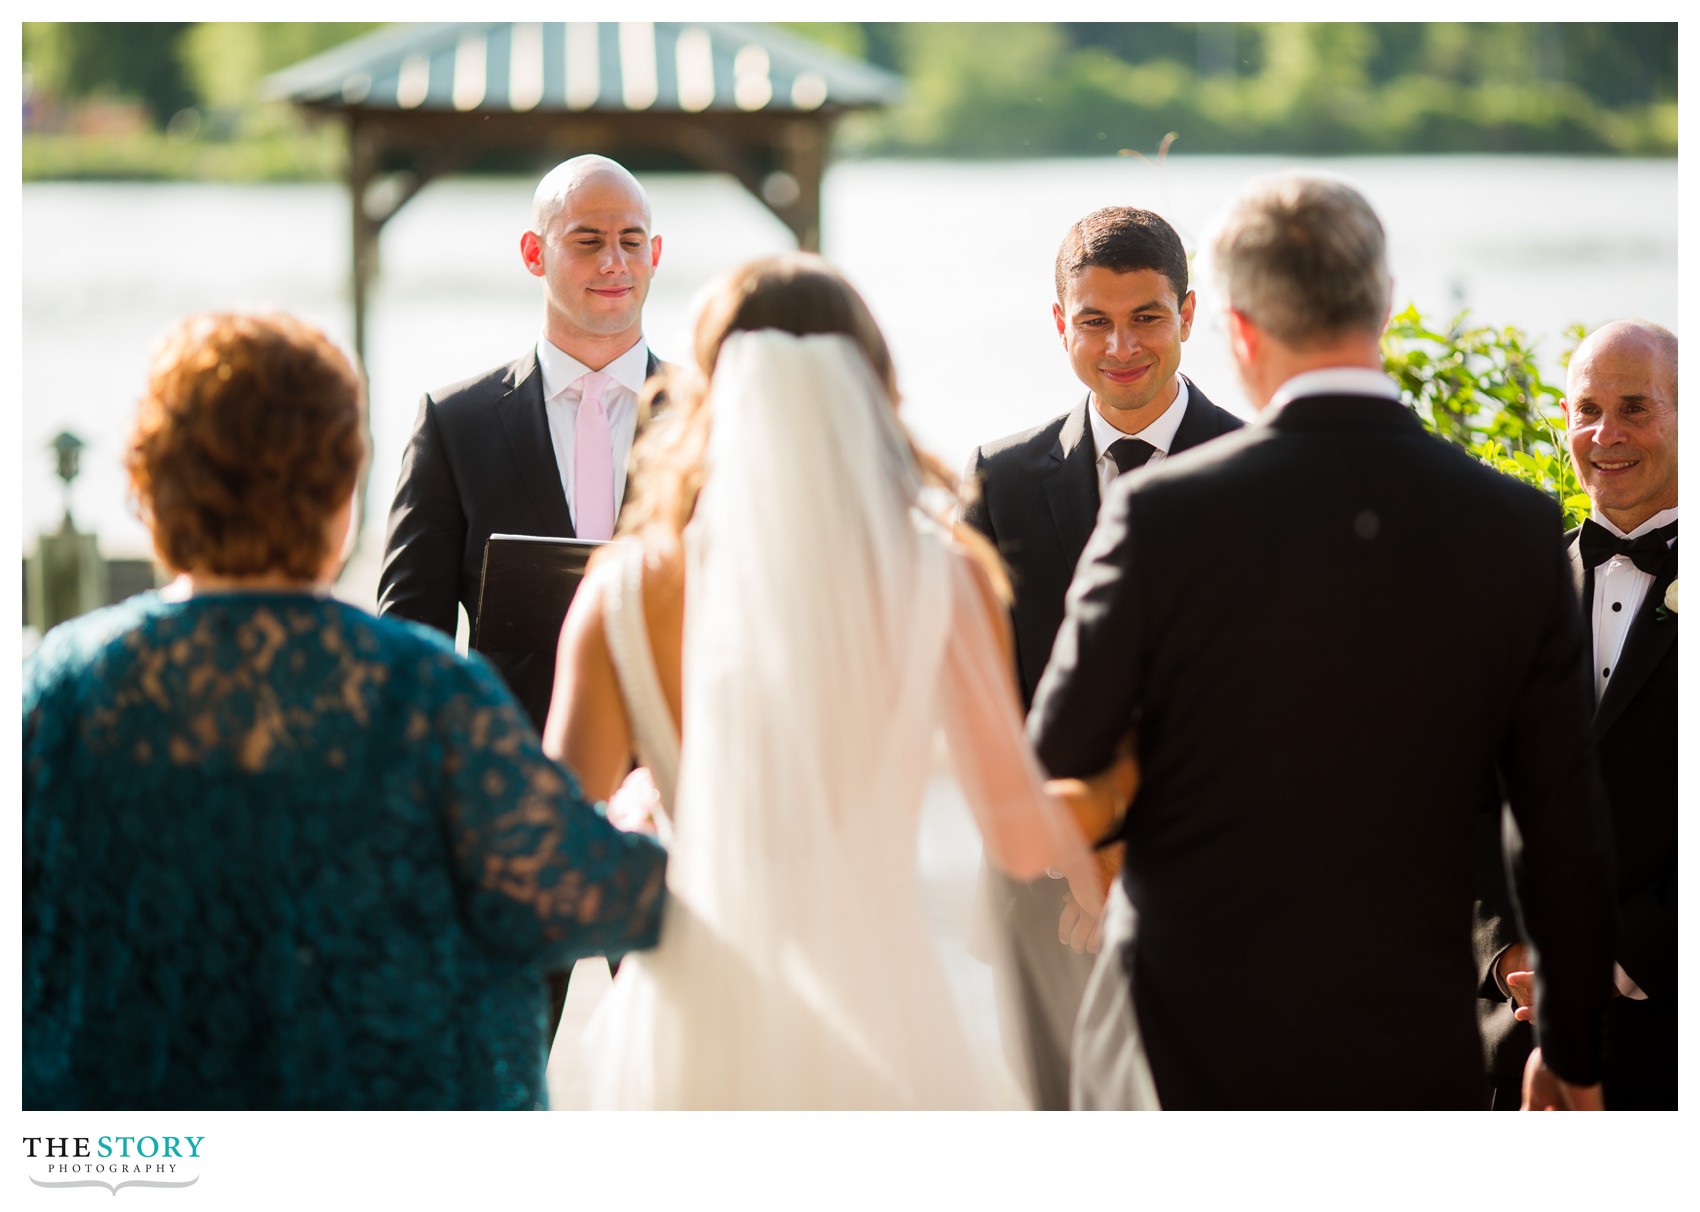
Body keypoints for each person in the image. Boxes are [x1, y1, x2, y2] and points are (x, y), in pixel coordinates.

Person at [1028, 173, 1618, 1109]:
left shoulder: (1156, 514)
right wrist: (1575, 1050)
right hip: (1407, 1033)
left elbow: (1058, 755)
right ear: (1383, 308)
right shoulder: (1511, 526)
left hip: (1181, 1031)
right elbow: (1561, 823)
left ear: (1238, 327)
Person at [22, 312, 668, 1110]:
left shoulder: (57, 692)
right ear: (340, 492)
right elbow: (585, 894)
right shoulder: (427, 696)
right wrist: (641, 819)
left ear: (150, 488)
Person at [543, 254, 1127, 1108]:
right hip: (887, 1012)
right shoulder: (942, 578)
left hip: (688, 1020)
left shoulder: (624, 587)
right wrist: (1130, 777)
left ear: (711, 394)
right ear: (869, 385)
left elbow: (548, 859)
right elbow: (1021, 838)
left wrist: (658, 820)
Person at [960, 205, 1242, 1108]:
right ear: (1060, 324)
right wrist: (1074, 859)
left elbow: (1262, 706)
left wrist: (1127, 863)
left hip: (1209, 897)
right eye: (1094, 320)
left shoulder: (1255, 470)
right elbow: (987, 702)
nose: (1122, 345)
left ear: (1188, 316)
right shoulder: (1000, 480)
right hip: (1037, 904)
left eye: (1147, 317)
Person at [379, 154, 665, 734]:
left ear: (654, 255)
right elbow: (410, 648)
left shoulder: (712, 416)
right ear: (534, 254)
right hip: (507, 783)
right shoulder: (455, 424)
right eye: (588, 241)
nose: (615, 262)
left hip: (680, 779)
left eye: (631, 242)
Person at [1477, 320, 1677, 1110]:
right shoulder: (1511, 596)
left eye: (1636, 407)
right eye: (1587, 409)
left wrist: (1615, 960)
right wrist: (1507, 954)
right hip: (1512, 1039)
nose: (1607, 434)